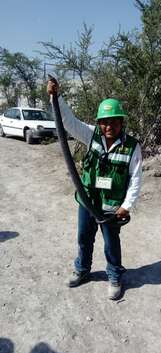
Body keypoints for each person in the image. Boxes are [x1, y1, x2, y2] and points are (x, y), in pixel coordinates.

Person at [47, 79, 142, 300]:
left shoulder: (132, 147)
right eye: (104, 122)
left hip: (111, 208)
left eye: (114, 122)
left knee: (111, 243)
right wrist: (56, 97)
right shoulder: (91, 135)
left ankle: (115, 276)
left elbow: (136, 179)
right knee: (83, 238)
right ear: (98, 123)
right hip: (87, 201)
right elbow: (68, 122)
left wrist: (126, 206)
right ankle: (82, 269)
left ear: (122, 122)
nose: (109, 126)